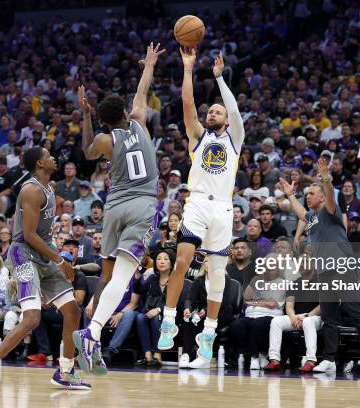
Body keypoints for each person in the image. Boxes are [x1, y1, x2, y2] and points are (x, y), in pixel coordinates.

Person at [73, 43, 163, 376]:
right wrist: (149, 64)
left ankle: (91, 342)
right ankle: (91, 333)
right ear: (126, 113)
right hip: (142, 207)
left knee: (108, 276)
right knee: (123, 277)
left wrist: (84, 115)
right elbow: (143, 90)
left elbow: (85, 151)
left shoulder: (104, 141)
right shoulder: (139, 121)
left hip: (114, 206)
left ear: (103, 120)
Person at [0, 146, 87, 392]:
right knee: (32, 318)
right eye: (47, 155)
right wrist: (59, 260)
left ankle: (65, 371)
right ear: (40, 164)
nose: (53, 157)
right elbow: (30, 235)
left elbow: (43, 234)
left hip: (44, 255)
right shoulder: (31, 190)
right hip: (23, 254)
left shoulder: (50, 188)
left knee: (73, 310)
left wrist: (58, 255)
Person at [157, 48, 245, 370]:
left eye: (218, 112)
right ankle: (169, 320)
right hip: (195, 203)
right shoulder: (199, 137)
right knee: (181, 260)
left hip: (222, 209)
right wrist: (188, 68)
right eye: (212, 112)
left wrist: (220, 78)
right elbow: (188, 106)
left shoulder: (235, 137)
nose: (213, 114)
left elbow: (234, 111)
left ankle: (208, 332)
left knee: (217, 276)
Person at [280, 157, 360, 374]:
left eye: (311, 194)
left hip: (342, 268)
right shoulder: (314, 218)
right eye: (306, 194)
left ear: (323, 198)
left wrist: (325, 177)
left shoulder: (330, 211)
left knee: (353, 311)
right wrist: (290, 195)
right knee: (329, 316)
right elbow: (300, 213)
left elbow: (331, 198)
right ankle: (330, 360)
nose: (307, 197)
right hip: (323, 271)